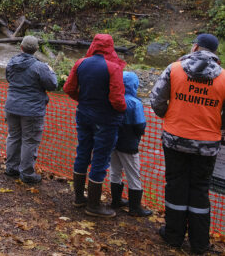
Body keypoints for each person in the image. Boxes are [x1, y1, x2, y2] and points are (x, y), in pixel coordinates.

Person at [150, 33, 223, 254]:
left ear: (195, 47)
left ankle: (173, 235)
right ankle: (199, 243)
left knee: (175, 185)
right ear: (215, 53)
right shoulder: (224, 78)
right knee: (200, 189)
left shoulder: (174, 69)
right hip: (207, 143)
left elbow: (156, 99)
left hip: (175, 139)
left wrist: (169, 115)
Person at [63, 34, 126, 218]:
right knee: (100, 158)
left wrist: (82, 100)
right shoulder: (113, 67)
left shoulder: (81, 62)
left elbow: (68, 88)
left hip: (83, 115)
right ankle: (93, 205)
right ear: (110, 47)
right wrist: (122, 110)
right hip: (106, 119)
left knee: (82, 152)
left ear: (94, 45)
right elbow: (117, 99)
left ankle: (78, 198)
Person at [4, 36, 57, 184]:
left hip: (12, 106)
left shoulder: (11, 63)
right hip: (31, 110)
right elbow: (53, 85)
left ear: (21, 47)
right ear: (36, 50)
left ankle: (11, 168)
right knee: (30, 140)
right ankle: (27, 173)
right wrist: (51, 71)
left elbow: (9, 79)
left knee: (13, 136)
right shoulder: (40, 67)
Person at [109, 71, 152, 217]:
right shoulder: (135, 103)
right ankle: (135, 208)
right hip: (129, 144)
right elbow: (140, 125)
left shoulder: (113, 97)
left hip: (112, 141)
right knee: (133, 174)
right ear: (134, 85)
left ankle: (116, 201)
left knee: (115, 171)